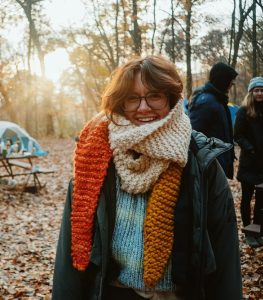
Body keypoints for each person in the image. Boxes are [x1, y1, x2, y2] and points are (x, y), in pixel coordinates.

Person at [52, 55, 242, 300]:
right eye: (133, 98)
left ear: (171, 99)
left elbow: (225, 254)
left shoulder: (199, 161)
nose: (143, 108)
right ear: (121, 102)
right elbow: (70, 253)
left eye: (154, 96)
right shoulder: (96, 157)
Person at [234, 77, 263, 248]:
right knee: (247, 198)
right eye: (257, 90)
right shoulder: (244, 111)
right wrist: (250, 149)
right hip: (250, 163)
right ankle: (248, 232)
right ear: (251, 92)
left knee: (261, 199)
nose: (260, 93)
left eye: (262, 90)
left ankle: (258, 231)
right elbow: (238, 134)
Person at [188, 62, 238, 179]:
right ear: (223, 80)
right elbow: (193, 136)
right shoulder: (206, 102)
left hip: (217, 163)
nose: (232, 84)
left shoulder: (217, 99)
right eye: (230, 80)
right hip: (210, 166)